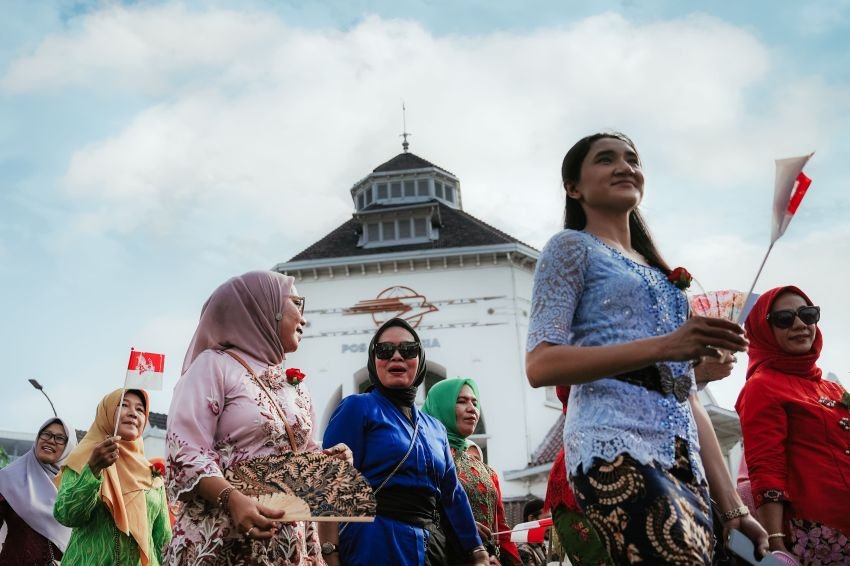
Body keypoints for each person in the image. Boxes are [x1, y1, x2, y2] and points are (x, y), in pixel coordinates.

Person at [525, 132, 768, 564]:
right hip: (613, 445)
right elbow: (541, 365)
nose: (624, 166)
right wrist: (667, 345)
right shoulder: (570, 248)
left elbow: (686, 394)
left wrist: (733, 508)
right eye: (606, 159)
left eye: (632, 159)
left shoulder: (662, 275)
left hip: (683, 459)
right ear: (573, 187)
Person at [164, 270, 346, 565]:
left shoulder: (293, 384)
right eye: (296, 303)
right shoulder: (214, 366)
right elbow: (184, 449)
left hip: (288, 545)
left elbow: (300, 456)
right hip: (225, 538)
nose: (303, 317)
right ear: (266, 308)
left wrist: (326, 461)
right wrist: (232, 499)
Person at [321, 318, 489, 566]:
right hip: (374, 543)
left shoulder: (435, 428)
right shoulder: (357, 408)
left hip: (431, 548)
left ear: (419, 359)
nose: (396, 356)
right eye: (385, 350)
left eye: (408, 350)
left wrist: (476, 550)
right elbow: (329, 483)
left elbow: (452, 495)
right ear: (373, 360)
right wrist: (330, 552)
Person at [736, 286, 850, 563]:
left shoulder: (832, 389)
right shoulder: (762, 386)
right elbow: (766, 465)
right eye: (784, 319)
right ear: (764, 330)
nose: (800, 324)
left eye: (808, 315)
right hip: (821, 535)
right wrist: (776, 542)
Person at [54, 389, 171, 565]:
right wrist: (93, 469)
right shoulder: (84, 458)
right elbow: (66, 515)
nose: (133, 413)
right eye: (123, 405)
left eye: (140, 410)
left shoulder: (152, 474)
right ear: (106, 413)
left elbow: (164, 541)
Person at [421, 377, 522, 565]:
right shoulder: (423, 457)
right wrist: (463, 527)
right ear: (440, 406)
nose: (472, 409)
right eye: (461, 401)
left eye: (475, 403)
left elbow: (502, 528)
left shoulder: (485, 471)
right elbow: (416, 511)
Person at [0, 417, 76, 564]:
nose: (51, 440)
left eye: (60, 438)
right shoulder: (8, 478)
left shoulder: (75, 485)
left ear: (69, 447)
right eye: (46, 434)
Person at [514, 498, 549, 566]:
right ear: (532, 519)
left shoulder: (542, 546)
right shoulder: (523, 550)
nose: (551, 524)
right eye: (547, 519)